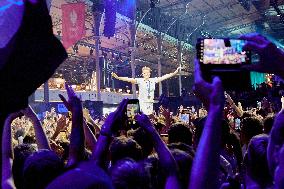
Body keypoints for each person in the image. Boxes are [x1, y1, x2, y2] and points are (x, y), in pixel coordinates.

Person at [111, 66, 182, 115]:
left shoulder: (153, 80)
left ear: (150, 73)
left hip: (150, 103)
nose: (146, 74)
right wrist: (118, 77)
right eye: (144, 73)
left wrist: (175, 72)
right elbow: (128, 79)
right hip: (141, 103)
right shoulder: (140, 80)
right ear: (142, 74)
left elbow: (165, 77)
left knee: (148, 120)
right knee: (135, 117)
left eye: (148, 72)